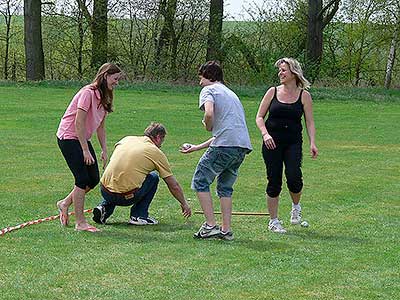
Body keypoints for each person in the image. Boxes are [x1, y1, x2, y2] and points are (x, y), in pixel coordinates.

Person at [181, 61, 252, 241]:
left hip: (225, 146)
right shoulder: (231, 94)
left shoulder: (209, 90)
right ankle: (226, 230)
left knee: (200, 181)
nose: (200, 83)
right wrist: (196, 147)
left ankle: (210, 225)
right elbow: (226, 133)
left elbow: (209, 114)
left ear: (210, 77)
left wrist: (207, 124)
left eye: (201, 78)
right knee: (225, 188)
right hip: (241, 147)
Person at [56, 63, 122, 232]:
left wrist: (104, 150)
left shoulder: (106, 95)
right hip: (69, 137)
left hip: (82, 138)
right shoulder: (88, 93)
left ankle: (64, 203)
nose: (117, 83)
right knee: (82, 179)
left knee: (92, 179)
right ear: (106, 75)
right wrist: (85, 150)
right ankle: (80, 223)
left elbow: (100, 126)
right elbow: (78, 122)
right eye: (115, 79)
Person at [255, 57, 318, 234]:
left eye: (283, 70)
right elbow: (259, 117)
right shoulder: (272, 92)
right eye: (280, 70)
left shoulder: (304, 95)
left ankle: (296, 207)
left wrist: (313, 142)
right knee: (274, 180)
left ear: (293, 73)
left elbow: (310, 122)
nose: (280, 73)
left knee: (294, 177)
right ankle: (274, 221)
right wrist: (265, 134)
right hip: (272, 143)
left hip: (293, 142)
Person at [92, 122, 192, 225]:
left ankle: (103, 208)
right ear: (158, 137)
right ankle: (138, 215)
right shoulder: (155, 152)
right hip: (126, 196)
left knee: (120, 180)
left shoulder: (127, 139)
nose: (161, 145)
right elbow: (173, 185)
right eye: (162, 140)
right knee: (153, 177)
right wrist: (184, 203)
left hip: (104, 190)